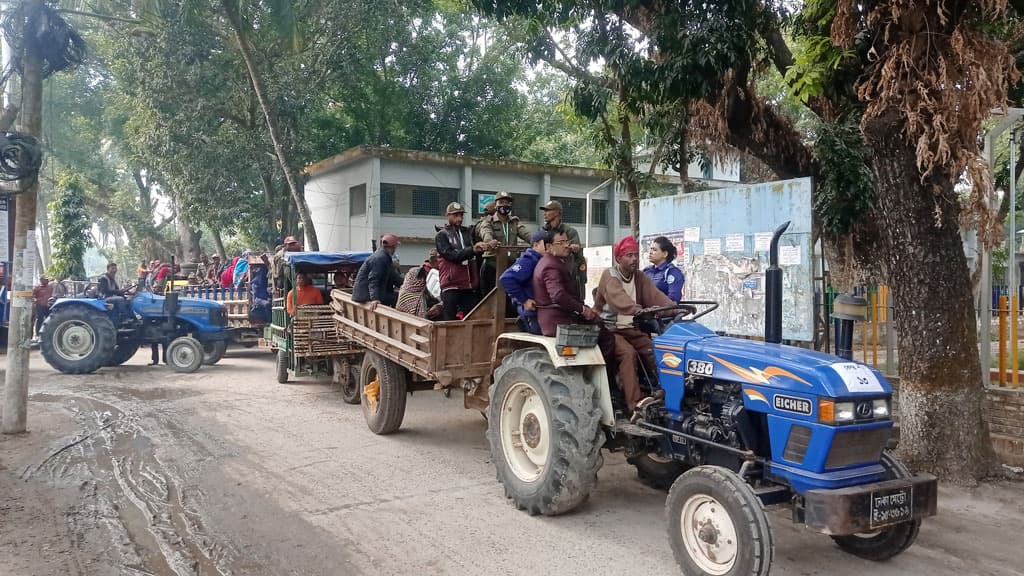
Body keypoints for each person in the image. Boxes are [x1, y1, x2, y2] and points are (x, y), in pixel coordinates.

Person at [593, 236, 675, 413]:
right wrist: (638, 310)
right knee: (627, 353)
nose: (634, 259)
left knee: (654, 349)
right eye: (629, 255)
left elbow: (656, 296)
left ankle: (667, 391)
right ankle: (635, 403)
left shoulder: (639, 276)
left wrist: (674, 309)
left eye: (636, 255)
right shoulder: (610, 275)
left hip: (630, 328)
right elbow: (618, 300)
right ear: (618, 258)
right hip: (609, 329)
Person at [533, 230, 600, 336]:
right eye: (561, 243)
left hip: (561, 318)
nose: (566, 246)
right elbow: (558, 295)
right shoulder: (551, 266)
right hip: (558, 321)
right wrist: (582, 310)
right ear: (549, 247)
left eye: (567, 242)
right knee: (605, 336)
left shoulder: (553, 262)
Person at [435, 202, 496, 320]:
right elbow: (452, 256)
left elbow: (476, 247)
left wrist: (487, 245)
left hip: (468, 285)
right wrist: (474, 249)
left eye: (461, 215)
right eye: (456, 215)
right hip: (450, 285)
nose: (459, 218)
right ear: (447, 216)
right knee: (450, 320)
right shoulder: (441, 235)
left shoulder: (468, 232)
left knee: (472, 317)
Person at [480, 191, 531, 298]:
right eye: (501, 202)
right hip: (492, 266)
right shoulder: (488, 222)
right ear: (495, 205)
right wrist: (490, 242)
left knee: (510, 301)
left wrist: (539, 241)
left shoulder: (514, 223)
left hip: (510, 267)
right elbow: (486, 233)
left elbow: (527, 234)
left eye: (507, 203)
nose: (504, 205)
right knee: (490, 300)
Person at [500, 229, 551, 335]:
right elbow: (506, 279)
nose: (549, 247)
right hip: (533, 315)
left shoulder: (545, 260)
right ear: (536, 245)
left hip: (543, 313)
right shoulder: (529, 260)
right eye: (546, 243)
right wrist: (525, 299)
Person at [540, 200, 587, 299]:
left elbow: (576, 253)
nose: (545, 213)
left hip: (566, 272)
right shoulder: (543, 231)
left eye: (548, 210)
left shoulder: (570, 231)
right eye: (544, 211)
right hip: (548, 271)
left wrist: (574, 248)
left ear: (557, 213)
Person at [352, 233, 403, 308]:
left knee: (399, 296)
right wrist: (374, 299)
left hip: (370, 293)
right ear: (394, 246)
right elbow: (373, 279)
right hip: (365, 295)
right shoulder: (380, 258)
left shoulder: (384, 257)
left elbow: (393, 277)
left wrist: (405, 285)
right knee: (399, 298)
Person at [396, 251, 443, 319]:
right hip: (413, 308)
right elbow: (437, 294)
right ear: (436, 261)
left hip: (401, 305)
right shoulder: (432, 275)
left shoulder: (414, 270)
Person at [644, 236, 685, 301]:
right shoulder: (647, 272)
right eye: (651, 249)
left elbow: (673, 298)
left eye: (654, 250)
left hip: (662, 309)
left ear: (665, 254)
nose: (650, 252)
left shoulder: (672, 272)